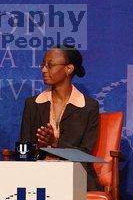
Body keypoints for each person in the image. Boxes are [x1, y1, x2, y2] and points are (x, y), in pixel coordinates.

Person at [19, 45, 101, 190]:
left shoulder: (89, 107)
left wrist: (55, 142)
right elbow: (23, 150)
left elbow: (85, 154)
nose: (43, 70)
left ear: (68, 69)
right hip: (38, 176)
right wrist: (38, 148)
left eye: (50, 65)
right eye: (43, 65)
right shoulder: (32, 103)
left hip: (74, 176)